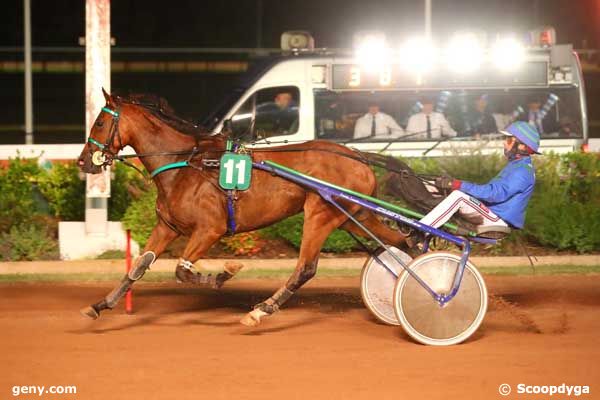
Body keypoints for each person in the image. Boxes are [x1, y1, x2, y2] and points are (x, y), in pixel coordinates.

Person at [419, 121, 539, 231]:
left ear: (522, 146)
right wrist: (454, 184)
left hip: (496, 219)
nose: (504, 143)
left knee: (458, 197)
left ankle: (420, 230)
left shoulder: (522, 171)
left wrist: (457, 185)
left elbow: (493, 194)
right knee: (434, 187)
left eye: (508, 140)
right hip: (491, 213)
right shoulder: (516, 165)